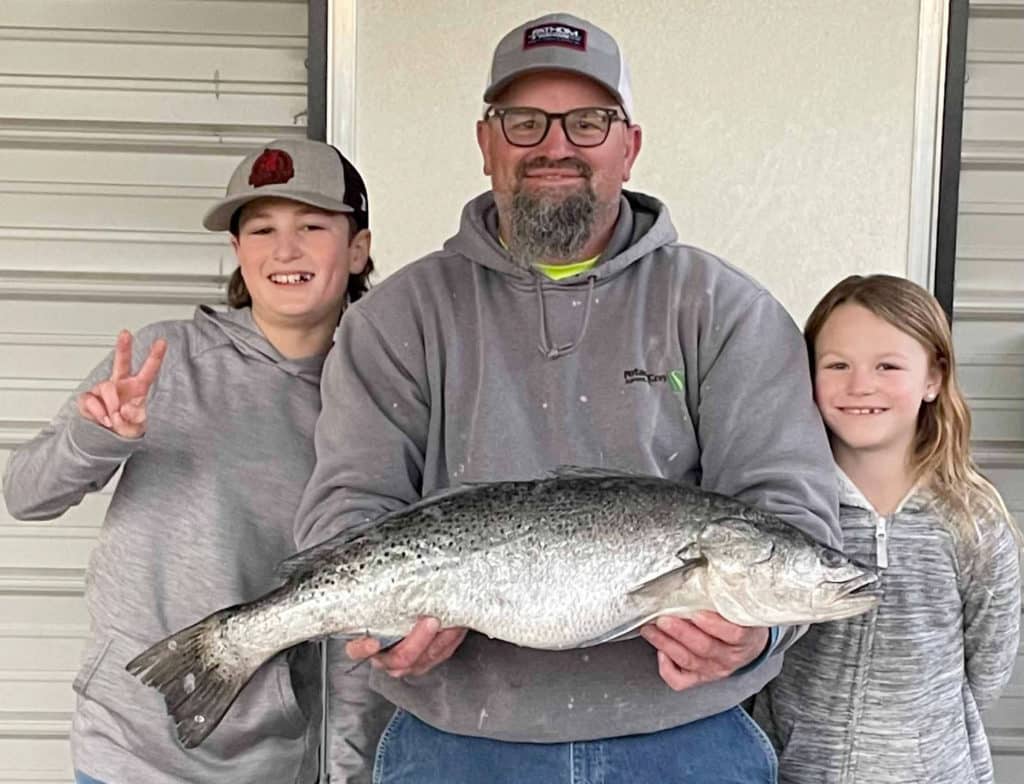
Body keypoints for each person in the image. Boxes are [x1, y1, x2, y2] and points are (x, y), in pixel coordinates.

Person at [295, 12, 840, 783]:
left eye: (588, 122)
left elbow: (790, 508)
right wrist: (384, 627)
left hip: (687, 740)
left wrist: (763, 633)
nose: (556, 146)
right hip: (453, 746)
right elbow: (348, 507)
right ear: (486, 145)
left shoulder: (726, 309)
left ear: (629, 145)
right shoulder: (395, 320)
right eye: (525, 122)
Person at [1, 138, 373, 784]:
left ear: (357, 248)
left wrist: (345, 769)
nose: (284, 250)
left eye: (311, 226)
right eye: (261, 229)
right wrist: (93, 438)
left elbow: (359, 612)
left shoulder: (375, 399)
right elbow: (25, 495)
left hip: (274, 762)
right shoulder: (160, 361)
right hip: (127, 752)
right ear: (239, 252)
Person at [753, 274, 1022, 784]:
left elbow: (987, 668)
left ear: (933, 378)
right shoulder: (783, 507)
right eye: (837, 365)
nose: (860, 385)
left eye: (888, 366)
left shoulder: (974, 520)